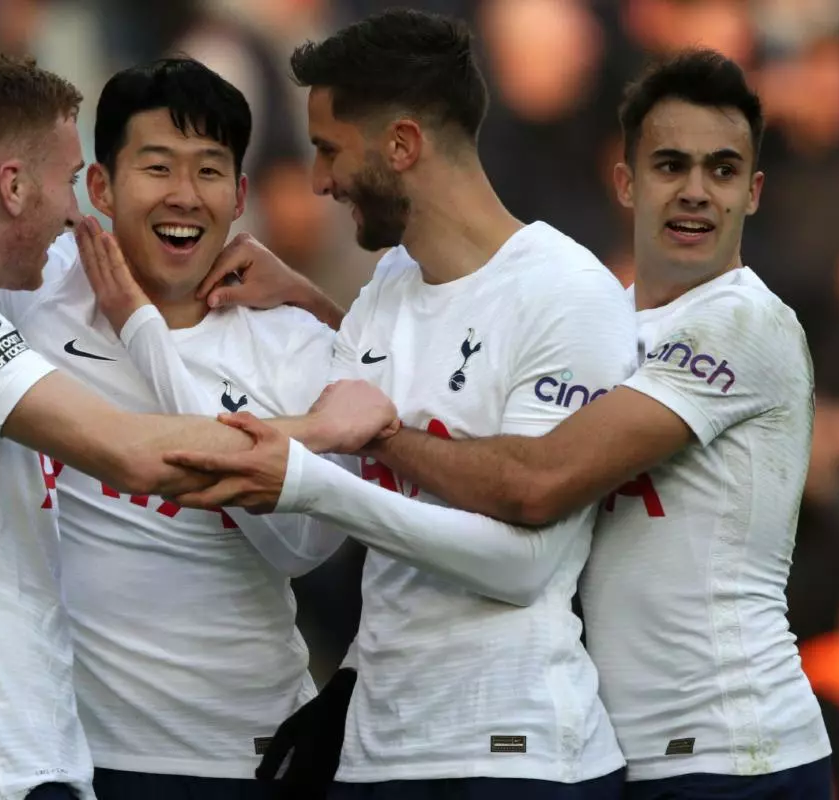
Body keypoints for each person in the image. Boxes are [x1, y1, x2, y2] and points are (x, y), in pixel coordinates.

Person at [178, 49, 835, 800]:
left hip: (737, 750)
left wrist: (376, 433)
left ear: (753, 193)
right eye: (669, 165)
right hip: (638, 748)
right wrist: (317, 311)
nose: (695, 193)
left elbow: (534, 481)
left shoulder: (740, 325)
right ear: (624, 181)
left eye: (721, 171)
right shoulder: (610, 316)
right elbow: (448, 389)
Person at [0, 49, 396, 800]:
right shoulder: (26, 292)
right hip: (63, 752)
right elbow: (134, 454)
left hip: (238, 756)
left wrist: (294, 307)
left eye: (209, 170)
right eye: (156, 167)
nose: (185, 194)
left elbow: (298, 547)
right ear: (103, 187)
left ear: (240, 193)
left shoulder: (290, 339)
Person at [165, 8, 640, 799]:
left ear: (402, 146)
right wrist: (303, 311)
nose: (317, 180)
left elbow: (525, 564)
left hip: (515, 757)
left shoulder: (569, 293)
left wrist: (366, 450)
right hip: (377, 752)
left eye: (328, 150)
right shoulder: (384, 288)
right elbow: (336, 439)